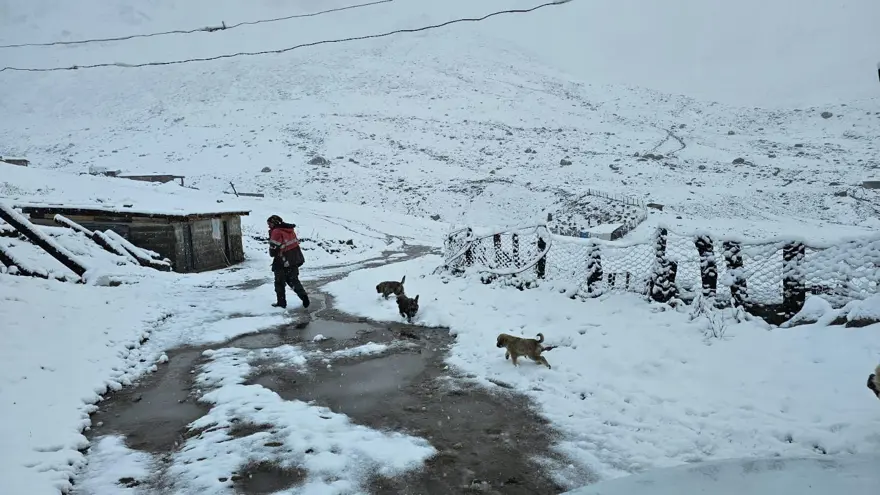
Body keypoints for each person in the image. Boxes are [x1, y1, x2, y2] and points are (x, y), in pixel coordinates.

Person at [267, 215, 309, 309]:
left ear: (274, 223)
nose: (269, 226)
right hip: (294, 259)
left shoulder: (276, 232)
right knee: (293, 280)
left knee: (279, 282)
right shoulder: (289, 230)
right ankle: (304, 296)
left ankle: (281, 303)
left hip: (282, 260)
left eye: (269, 224)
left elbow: (273, 251)